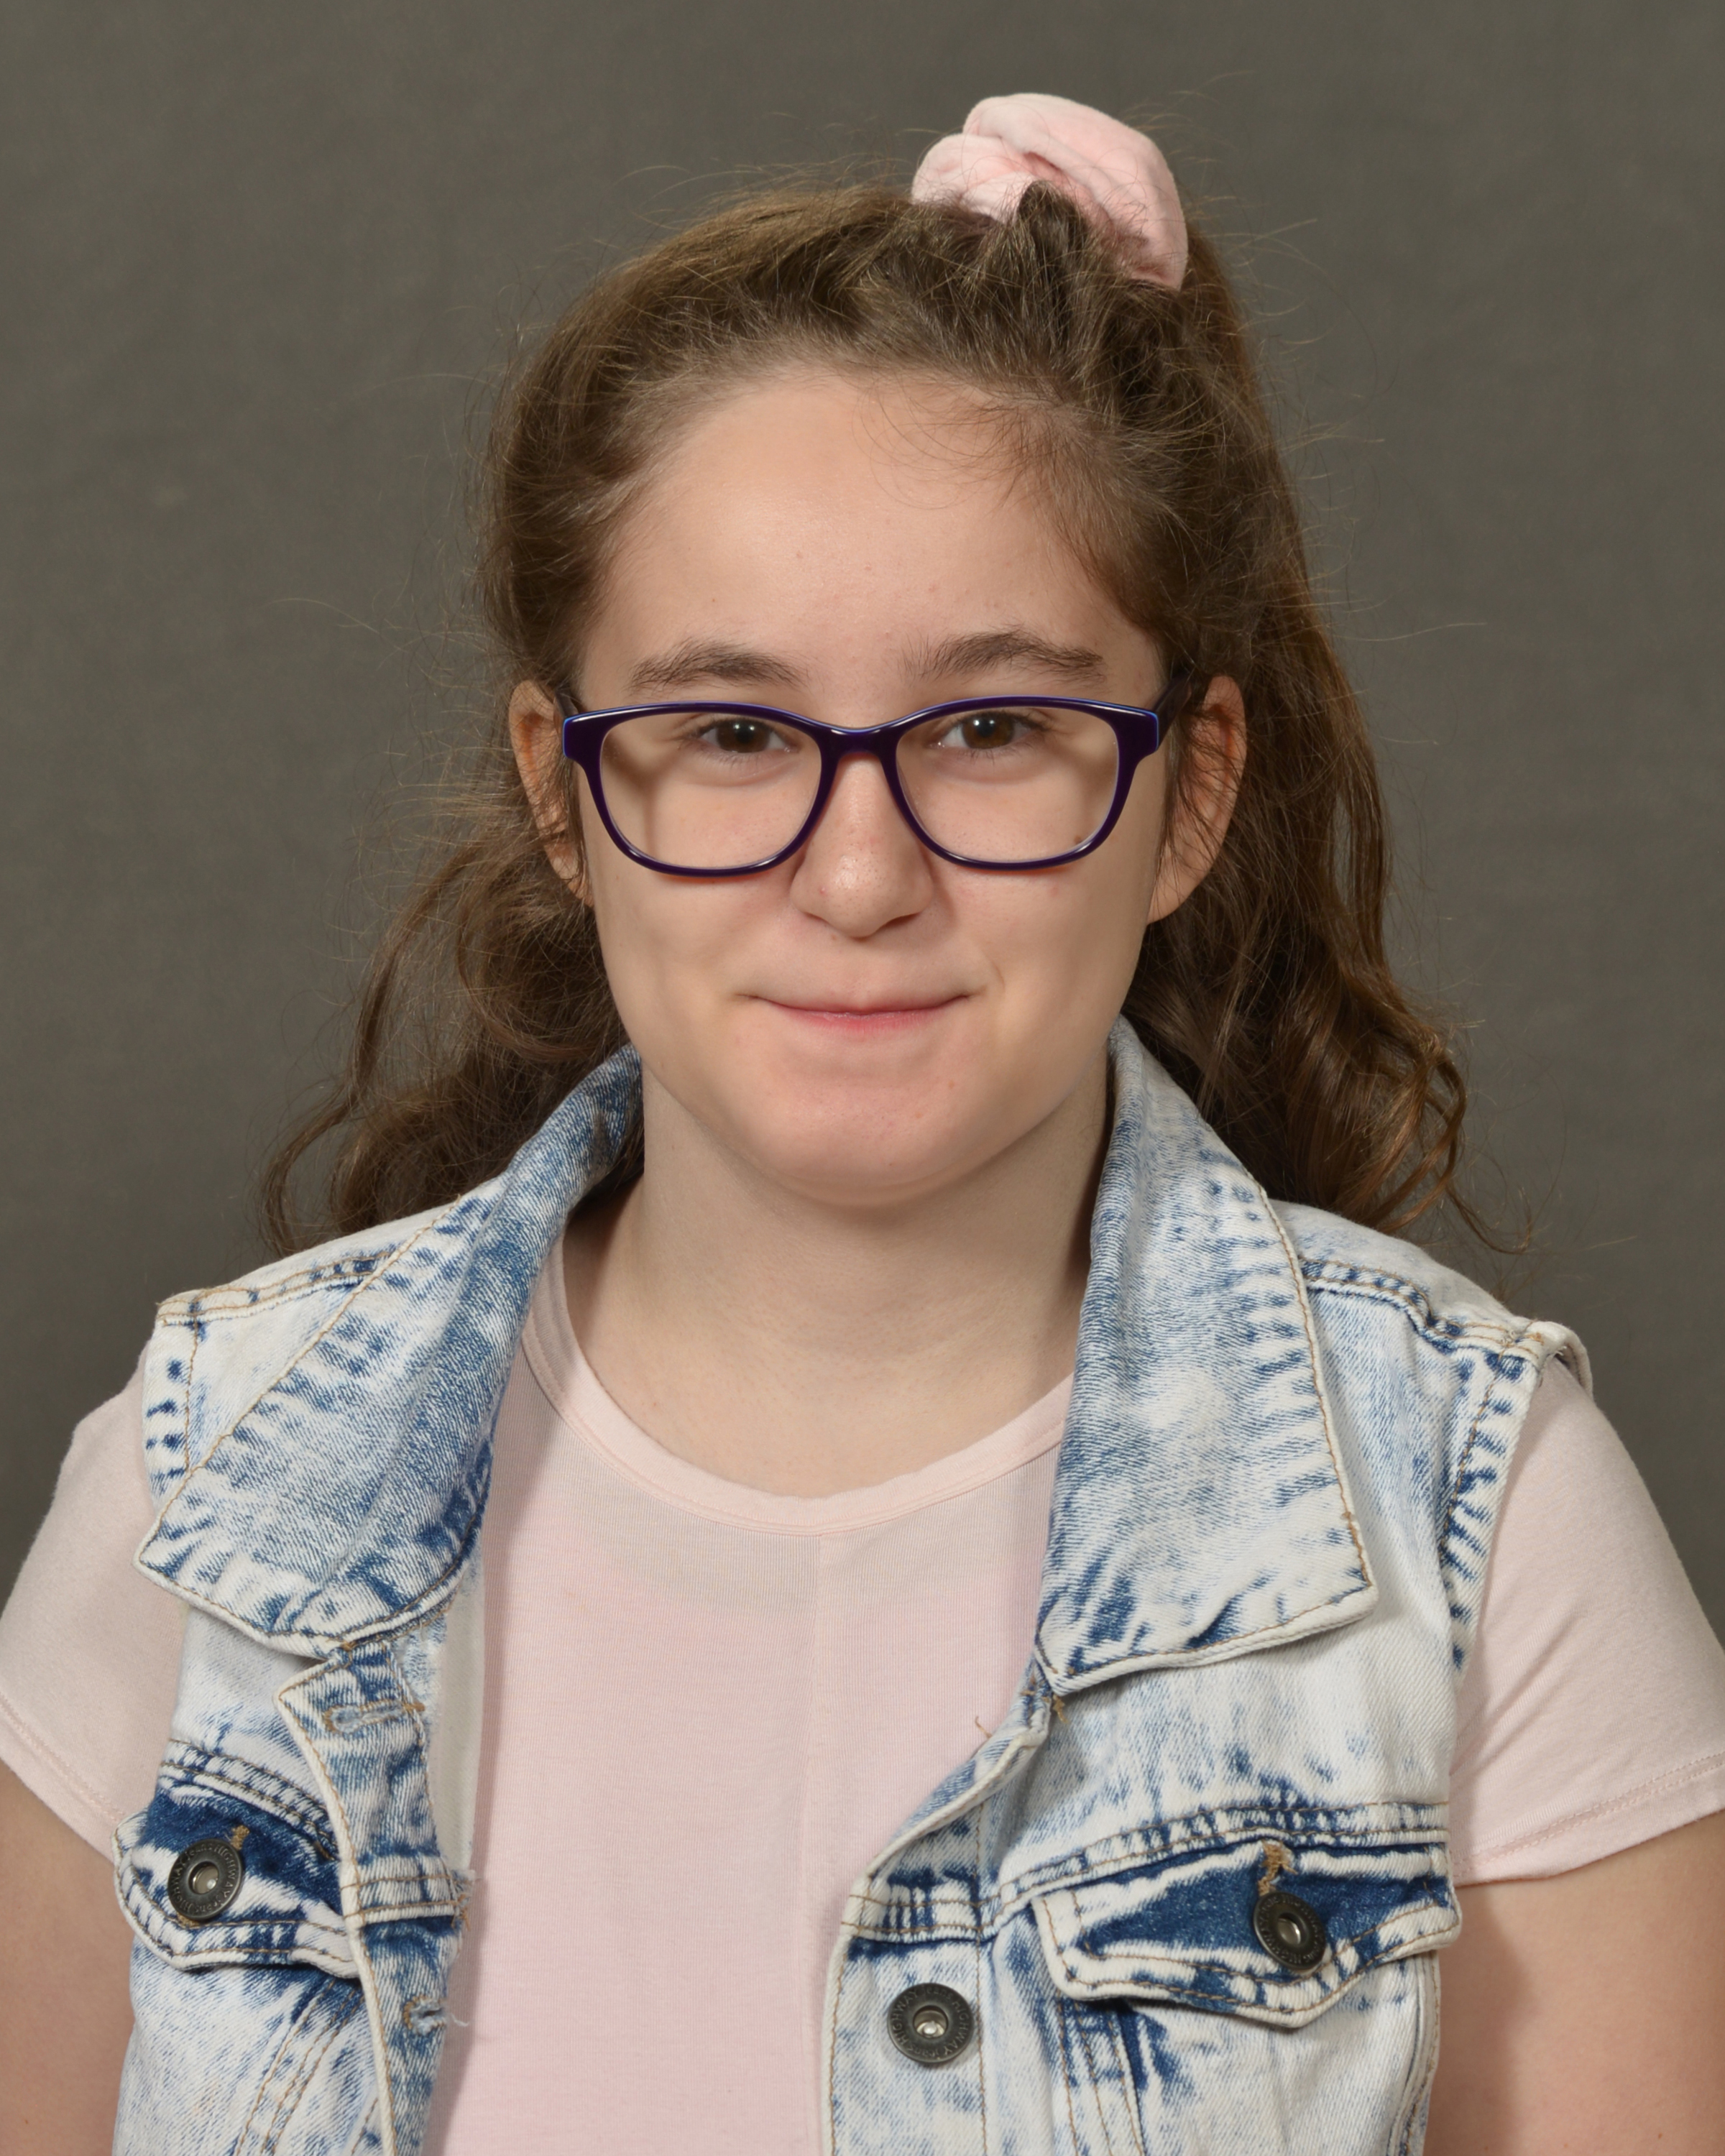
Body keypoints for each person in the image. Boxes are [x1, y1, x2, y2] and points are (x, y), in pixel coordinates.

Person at [2, 91, 1723, 2156]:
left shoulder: (1484, 1520)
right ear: (565, 794)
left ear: (1188, 794)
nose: (858, 874)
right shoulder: (198, 1491)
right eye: (734, 731)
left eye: (992, 728)